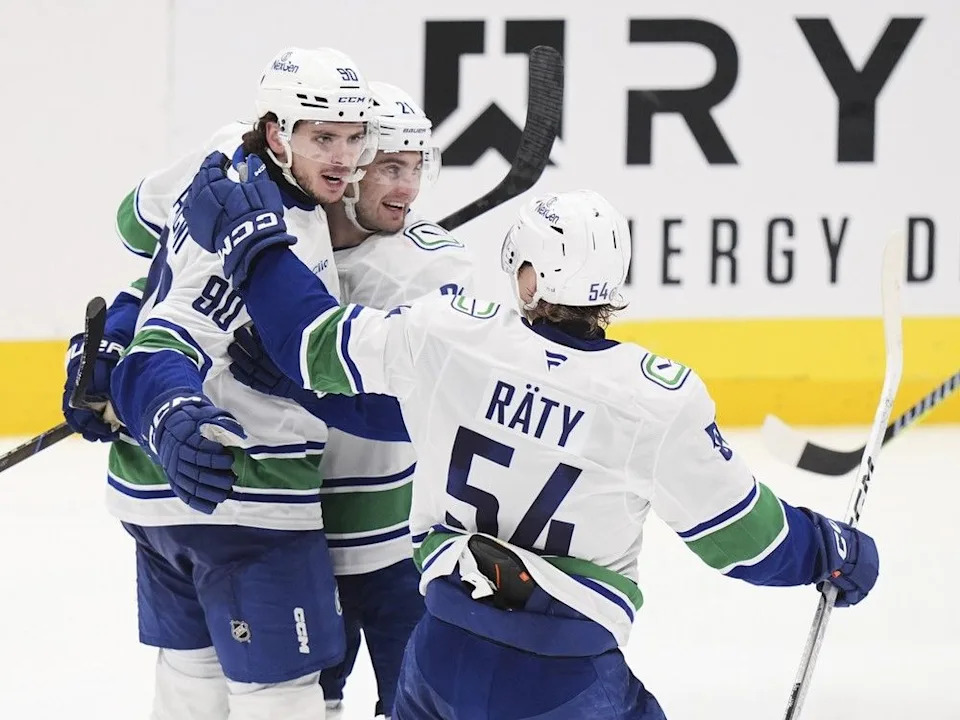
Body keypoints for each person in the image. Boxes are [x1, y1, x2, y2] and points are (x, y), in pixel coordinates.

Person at [185, 159, 882, 718]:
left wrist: (256, 246)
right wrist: (834, 550)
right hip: (565, 683)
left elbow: (311, 340)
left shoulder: (450, 333)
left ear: (526, 272)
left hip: (440, 657)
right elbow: (747, 542)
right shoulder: (653, 399)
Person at [101, 47, 379, 720]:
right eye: (323, 139)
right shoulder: (278, 232)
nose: (342, 158)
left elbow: (133, 223)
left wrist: (120, 319)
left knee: (189, 685)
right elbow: (175, 332)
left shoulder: (223, 150)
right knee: (280, 700)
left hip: (150, 498)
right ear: (280, 133)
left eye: (351, 138)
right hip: (242, 496)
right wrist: (170, 410)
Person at [228, 80, 474, 719]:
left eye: (417, 169)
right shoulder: (275, 242)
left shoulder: (435, 271)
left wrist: (306, 386)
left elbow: (434, 412)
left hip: (395, 541)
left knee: (416, 706)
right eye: (392, 167)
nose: (409, 190)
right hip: (293, 536)